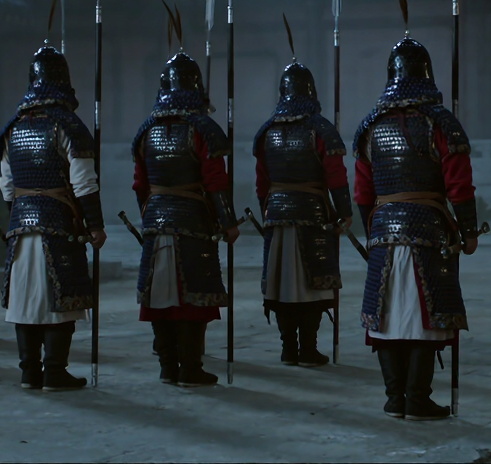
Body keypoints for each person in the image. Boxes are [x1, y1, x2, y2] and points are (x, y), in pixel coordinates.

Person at [354, 34, 481, 421]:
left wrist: (374, 230)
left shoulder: (370, 126)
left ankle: (395, 398)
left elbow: (363, 192)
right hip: (428, 231)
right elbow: (459, 183)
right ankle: (416, 398)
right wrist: (468, 230)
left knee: (387, 316)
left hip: (384, 232)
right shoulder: (440, 123)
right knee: (425, 316)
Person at [0, 43, 104, 392]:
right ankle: (54, 372)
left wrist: (20, 215)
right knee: (60, 299)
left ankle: (29, 372)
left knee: (25, 300)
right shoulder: (68, 124)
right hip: (58, 226)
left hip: (20, 225)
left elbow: (7, 187)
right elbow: (84, 183)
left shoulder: (13, 127)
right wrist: (95, 225)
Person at [132, 48, 238, 388]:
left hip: (156, 220)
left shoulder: (146, 130)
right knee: (193, 298)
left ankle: (167, 366)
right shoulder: (202, 128)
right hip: (192, 223)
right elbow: (215, 181)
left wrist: (150, 216)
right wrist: (227, 222)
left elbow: (140, 185)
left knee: (159, 298)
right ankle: (189, 368)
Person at [253, 56, 351, 368]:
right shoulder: (320, 129)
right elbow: (336, 175)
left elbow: (261, 182)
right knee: (313, 285)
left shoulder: (267, 131)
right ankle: (307, 349)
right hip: (312, 215)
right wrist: (344, 212)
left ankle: (288, 349)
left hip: (278, 216)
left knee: (282, 285)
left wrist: (268, 211)